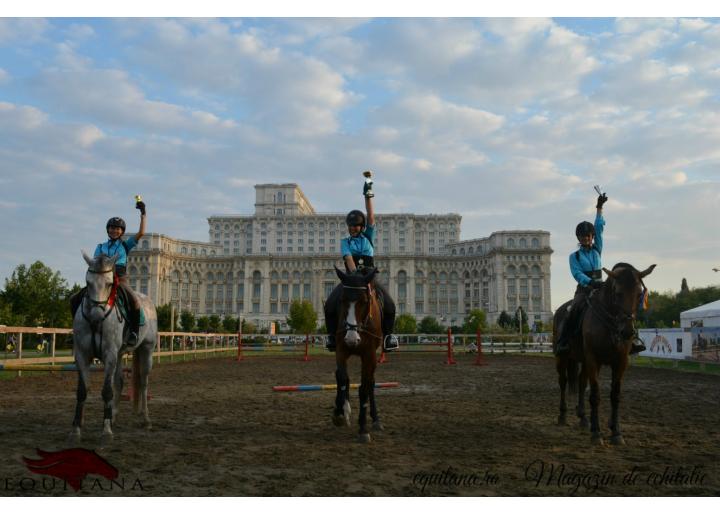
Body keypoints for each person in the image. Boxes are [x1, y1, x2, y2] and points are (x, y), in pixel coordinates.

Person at [555, 191, 645, 356]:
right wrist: (590, 282)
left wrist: (599, 207)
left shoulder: (597, 249)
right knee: (572, 310)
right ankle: (564, 342)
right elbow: (577, 274)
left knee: (623, 307)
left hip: (602, 287)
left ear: (592, 237)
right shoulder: (574, 257)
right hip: (584, 289)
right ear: (579, 238)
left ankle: (631, 341)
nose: (587, 239)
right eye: (583, 237)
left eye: (589, 236)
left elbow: (599, 227)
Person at [324, 171, 399, 353]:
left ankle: (388, 337)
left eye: (356, 225)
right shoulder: (345, 242)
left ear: (362, 226)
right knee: (330, 304)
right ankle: (332, 337)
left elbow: (371, 216)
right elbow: (348, 260)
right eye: (350, 226)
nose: (352, 228)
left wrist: (368, 193)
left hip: (368, 278)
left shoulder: (368, 236)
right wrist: (354, 277)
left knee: (389, 304)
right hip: (351, 280)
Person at [70, 198, 147, 347]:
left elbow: (141, 232)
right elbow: (95, 263)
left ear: (122, 231)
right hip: (102, 280)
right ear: (108, 230)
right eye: (112, 228)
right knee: (74, 299)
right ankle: (76, 330)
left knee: (135, 302)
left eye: (117, 228)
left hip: (120, 279)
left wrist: (143, 213)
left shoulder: (126, 245)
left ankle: (134, 332)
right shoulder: (100, 247)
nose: (114, 230)